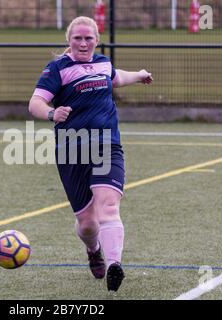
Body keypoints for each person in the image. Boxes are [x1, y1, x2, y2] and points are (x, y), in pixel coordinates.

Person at [29, 16, 152, 291]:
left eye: (88, 38)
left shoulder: (103, 62)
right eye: (78, 38)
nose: (83, 43)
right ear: (68, 41)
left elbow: (116, 76)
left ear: (97, 40)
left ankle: (114, 265)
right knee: (87, 224)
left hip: (107, 145)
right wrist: (51, 113)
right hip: (72, 151)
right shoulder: (57, 69)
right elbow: (35, 102)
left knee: (108, 205)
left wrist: (140, 75)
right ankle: (93, 249)